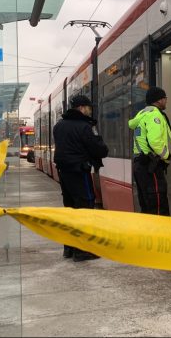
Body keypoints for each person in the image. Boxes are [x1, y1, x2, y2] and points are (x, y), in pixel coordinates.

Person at [53, 94, 109, 260]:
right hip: (79, 171)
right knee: (85, 206)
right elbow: (100, 150)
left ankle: (69, 248)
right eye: (88, 108)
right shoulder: (85, 126)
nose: (90, 111)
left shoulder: (59, 126)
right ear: (82, 108)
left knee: (70, 209)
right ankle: (82, 250)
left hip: (64, 173)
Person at [128, 86, 171, 215]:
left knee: (146, 205)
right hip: (151, 166)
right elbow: (155, 141)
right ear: (159, 100)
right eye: (165, 98)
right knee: (158, 207)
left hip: (140, 165)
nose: (166, 100)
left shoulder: (141, 114)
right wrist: (167, 156)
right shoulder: (155, 115)